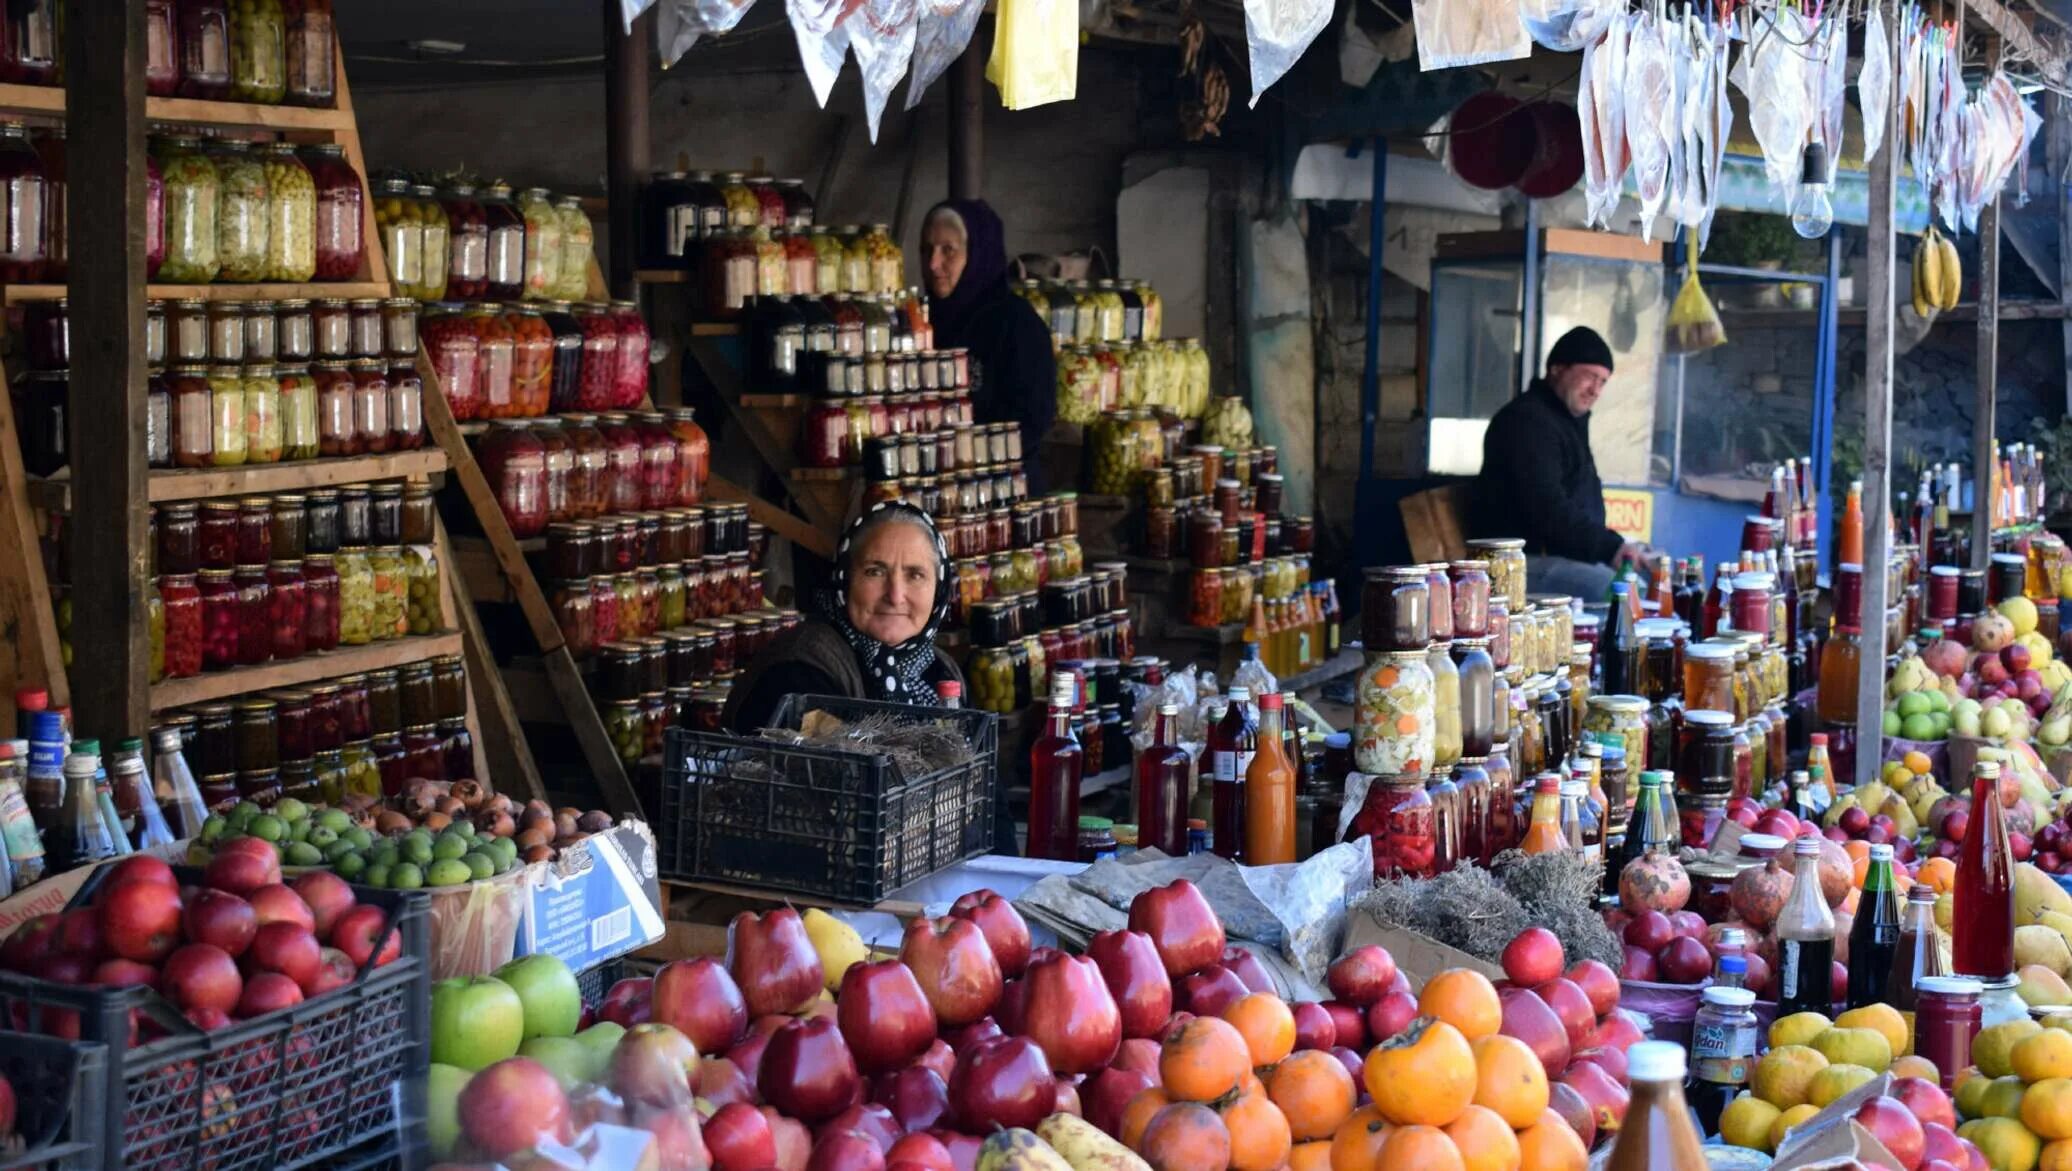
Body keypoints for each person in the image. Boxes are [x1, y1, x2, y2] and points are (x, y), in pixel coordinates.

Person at [724, 502, 964, 733]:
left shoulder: (941, 671)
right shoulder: (799, 671)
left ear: (939, 588)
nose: (895, 595)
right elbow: (826, 770)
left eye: (915, 575)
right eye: (875, 572)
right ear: (844, 579)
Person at [1472, 325, 1651, 600]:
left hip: (1561, 556)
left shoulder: (1565, 422)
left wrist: (1614, 547)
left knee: (1656, 578)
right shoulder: (1527, 423)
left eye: (1603, 382)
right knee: (1620, 591)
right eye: (1590, 376)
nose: (1596, 390)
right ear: (1557, 369)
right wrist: (1609, 548)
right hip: (1516, 565)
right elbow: (1547, 510)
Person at [922, 200, 1057, 489]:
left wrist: (971, 460)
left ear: (978, 255)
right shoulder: (921, 323)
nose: (933, 264)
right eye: (927, 250)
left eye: (948, 250)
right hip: (936, 491)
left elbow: (1033, 419)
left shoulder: (1016, 324)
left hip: (1004, 494)